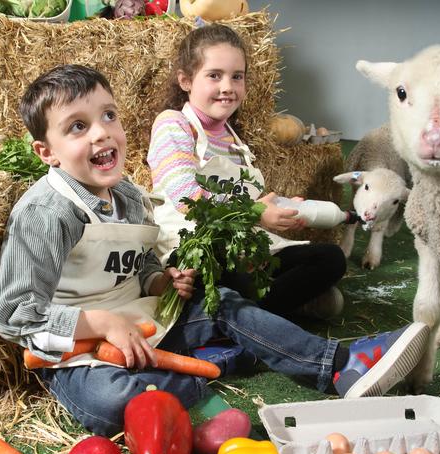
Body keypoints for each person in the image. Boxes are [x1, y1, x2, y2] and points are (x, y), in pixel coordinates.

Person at [0, 64, 429, 437]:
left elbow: (139, 257)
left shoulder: (126, 193)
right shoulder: (46, 214)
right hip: (78, 353)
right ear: (46, 152)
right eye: (78, 126)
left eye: (108, 115)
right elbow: (15, 316)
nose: (102, 132)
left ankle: (338, 365)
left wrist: (159, 279)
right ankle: (208, 368)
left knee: (223, 301)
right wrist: (102, 324)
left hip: (143, 322)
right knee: (109, 403)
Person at [147, 23, 347, 319]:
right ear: (186, 80)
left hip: (242, 248)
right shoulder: (173, 124)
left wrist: (281, 209)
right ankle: (269, 310)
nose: (227, 86)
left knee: (330, 259)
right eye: (214, 75)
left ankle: (251, 312)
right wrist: (255, 212)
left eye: (236, 77)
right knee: (218, 269)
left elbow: (246, 199)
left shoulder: (235, 139)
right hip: (193, 248)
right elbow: (187, 199)